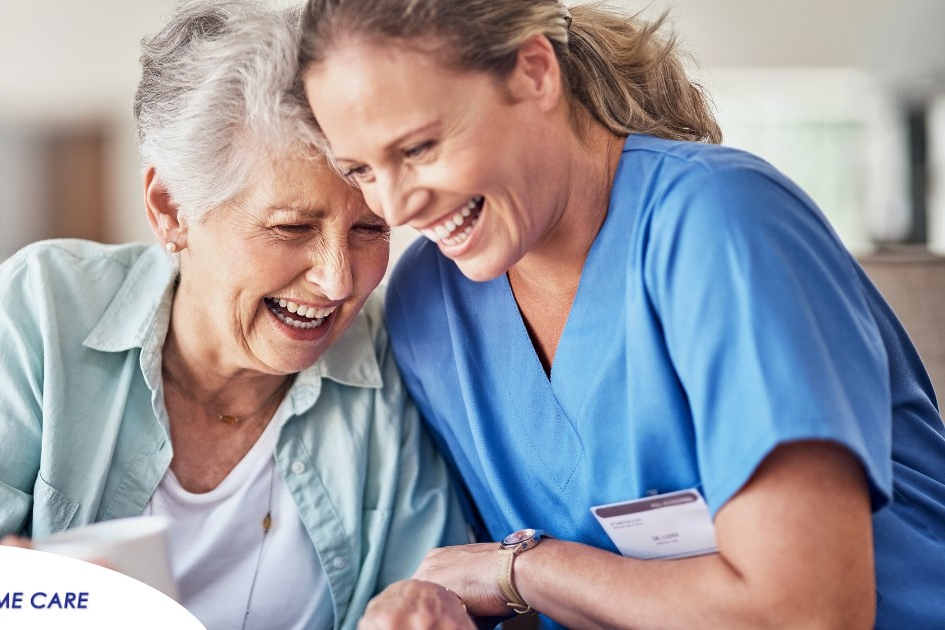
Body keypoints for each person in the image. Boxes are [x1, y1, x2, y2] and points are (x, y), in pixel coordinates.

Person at [297, 1, 945, 628]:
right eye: (361, 170)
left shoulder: (721, 223)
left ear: (534, 72)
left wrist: (521, 570)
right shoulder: (429, 304)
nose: (396, 208)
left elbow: (808, 613)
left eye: (418, 148)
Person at [0, 2, 466, 628]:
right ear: (170, 209)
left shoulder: (390, 350)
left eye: (370, 229)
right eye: (291, 228)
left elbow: (430, 593)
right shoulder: (44, 309)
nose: (338, 280)